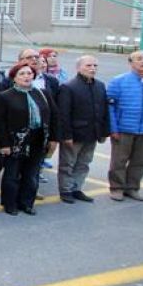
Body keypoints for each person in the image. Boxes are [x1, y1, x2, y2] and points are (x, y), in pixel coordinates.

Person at [0, 62, 59, 216]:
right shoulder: (5, 96)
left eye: (29, 73)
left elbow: (54, 116)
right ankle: (10, 204)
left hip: (38, 140)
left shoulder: (42, 93)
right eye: (22, 74)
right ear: (14, 78)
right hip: (15, 142)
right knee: (12, 174)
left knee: (31, 175)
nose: (26, 76)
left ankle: (27, 203)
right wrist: (4, 144)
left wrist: (53, 138)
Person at [56, 55, 109, 204]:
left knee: (84, 163)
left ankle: (76, 188)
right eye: (88, 65)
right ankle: (65, 189)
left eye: (95, 66)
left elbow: (104, 110)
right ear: (79, 68)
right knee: (68, 164)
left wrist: (104, 132)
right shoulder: (68, 87)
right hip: (75, 134)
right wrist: (66, 135)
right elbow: (64, 114)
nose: (92, 68)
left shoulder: (100, 85)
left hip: (93, 133)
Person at [106, 50, 143, 202]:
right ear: (130, 63)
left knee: (141, 161)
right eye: (139, 59)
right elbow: (110, 106)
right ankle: (116, 188)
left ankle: (132, 188)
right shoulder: (119, 81)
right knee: (119, 161)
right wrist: (113, 128)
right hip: (123, 129)